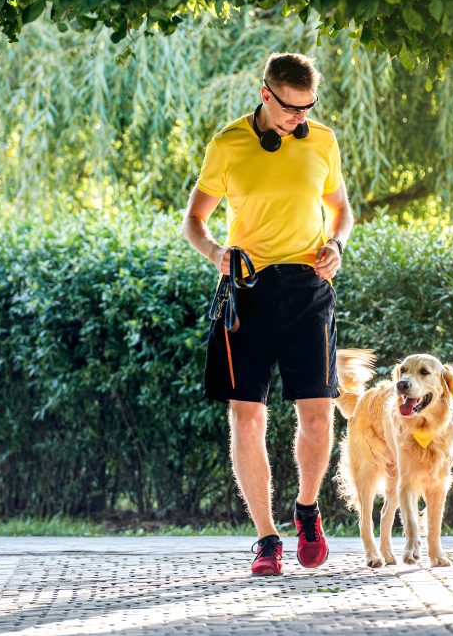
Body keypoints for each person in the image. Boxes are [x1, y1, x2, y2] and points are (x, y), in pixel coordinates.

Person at [182, 52, 354, 576]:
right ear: (265, 94)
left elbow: (341, 210)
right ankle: (266, 538)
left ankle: (307, 510)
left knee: (318, 411)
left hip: (308, 291)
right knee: (246, 414)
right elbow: (195, 220)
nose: (299, 118)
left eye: (307, 108)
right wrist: (215, 252)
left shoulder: (322, 141)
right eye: (290, 108)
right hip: (248, 292)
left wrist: (337, 245)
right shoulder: (228, 144)